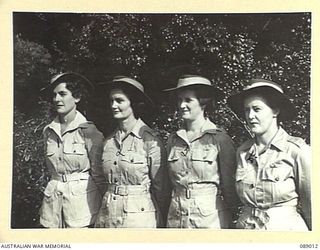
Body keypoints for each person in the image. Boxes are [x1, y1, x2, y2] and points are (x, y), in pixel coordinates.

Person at [227, 78, 311, 230]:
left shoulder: (296, 150)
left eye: (257, 109)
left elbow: (312, 205)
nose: (250, 116)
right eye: (247, 110)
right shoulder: (243, 152)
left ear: (275, 111)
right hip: (247, 233)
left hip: (284, 232)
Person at [163, 75, 239, 228]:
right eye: (179, 100)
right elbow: (167, 184)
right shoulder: (174, 140)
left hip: (209, 219)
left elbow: (229, 187)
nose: (182, 105)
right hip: (176, 218)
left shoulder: (219, 139)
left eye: (188, 100)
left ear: (203, 103)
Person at [94, 76, 171, 228]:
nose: (113, 105)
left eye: (119, 100)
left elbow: (161, 188)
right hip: (108, 217)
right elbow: (101, 181)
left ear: (133, 103)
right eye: (111, 101)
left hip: (139, 218)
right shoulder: (108, 142)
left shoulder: (149, 140)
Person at [39, 72, 105, 228]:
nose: (57, 99)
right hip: (52, 207)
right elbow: (51, 169)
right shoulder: (48, 131)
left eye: (62, 94)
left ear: (77, 97)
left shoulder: (89, 130)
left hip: (82, 209)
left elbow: (99, 174)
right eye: (54, 95)